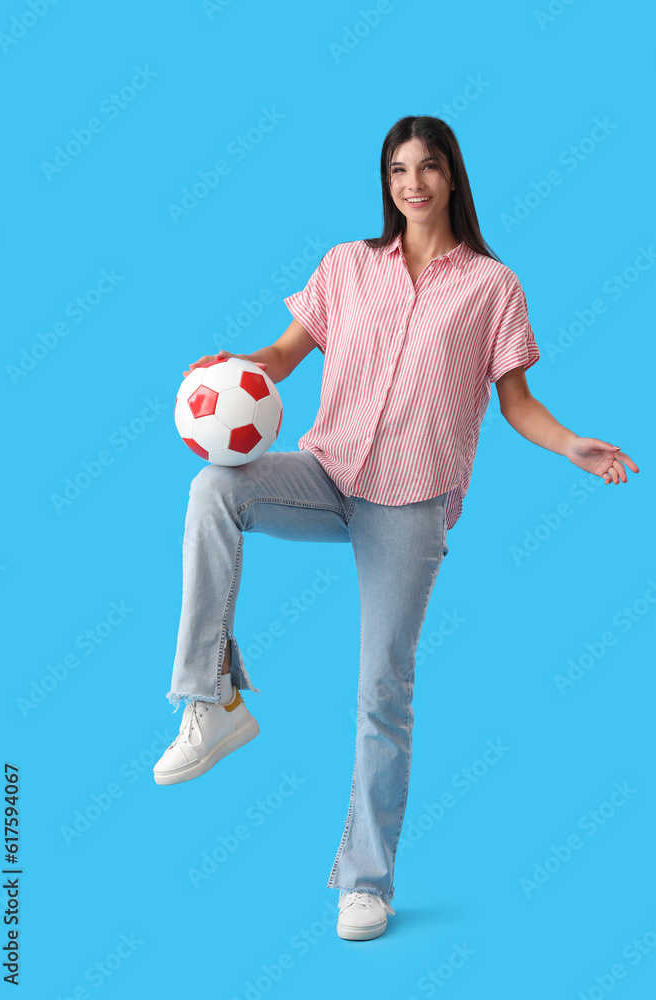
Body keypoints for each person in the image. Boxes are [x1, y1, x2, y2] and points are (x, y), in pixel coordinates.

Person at [153, 115, 639, 941]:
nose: (411, 183)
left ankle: (365, 881)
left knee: (383, 687)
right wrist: (227, 370)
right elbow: (280, 355)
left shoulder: (493, 286)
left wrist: (571, 445)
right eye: (397, 169)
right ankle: (212, 699)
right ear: (385, 182)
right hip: (325, 472)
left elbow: (513, 401)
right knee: (214, 488)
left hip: (410, 502)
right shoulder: (346, 266)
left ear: (453, 177)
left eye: (428, 167)